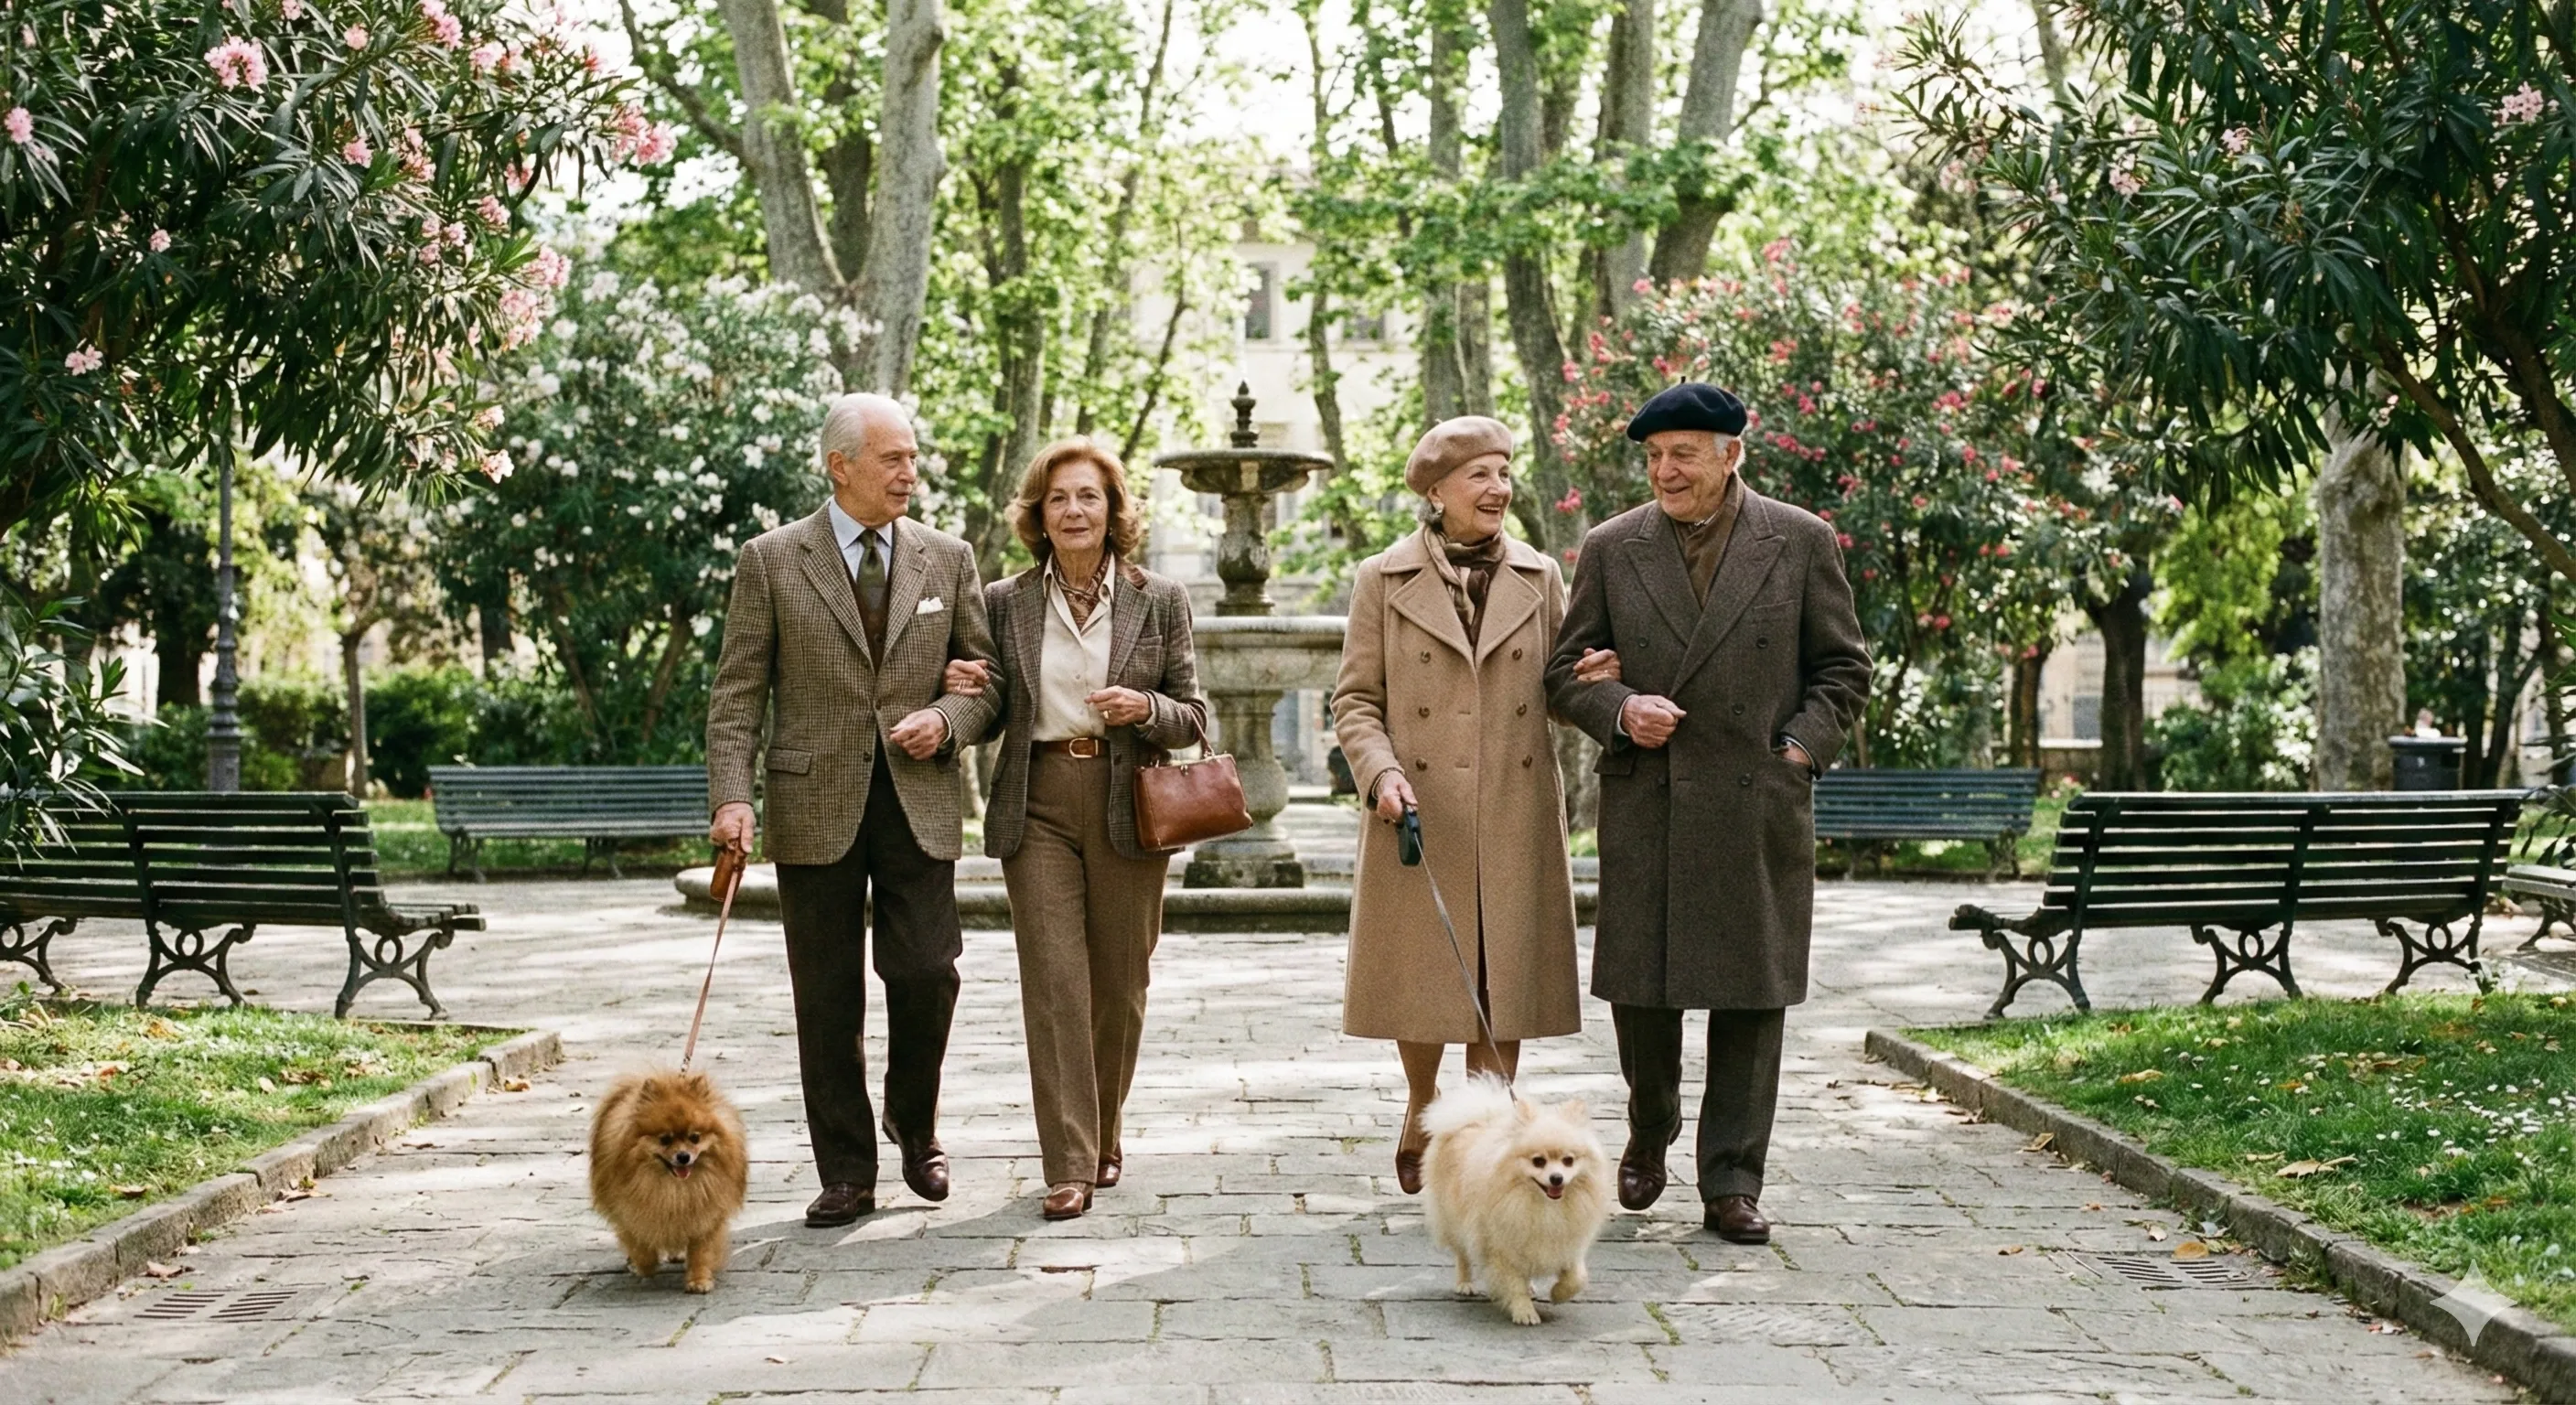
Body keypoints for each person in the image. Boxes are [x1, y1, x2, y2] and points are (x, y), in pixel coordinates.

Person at [1545, 382, 1870, 1244]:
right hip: (1651, 801)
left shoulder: (1799, 541)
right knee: (1642, 996)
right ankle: (1650, 1130)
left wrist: (1797, 750)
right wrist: (1618, 708)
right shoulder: (1614, 547)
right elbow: (1563, 671)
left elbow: (1843, 670)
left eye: (1683, 453)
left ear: (1733, 454)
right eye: (1653, 457)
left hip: (1754, 800)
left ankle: (1732, 1180)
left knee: (1751, 1001)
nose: (1665, 471)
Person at [704, 391, 997, 1228]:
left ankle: (916, 1121)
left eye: (913, 456)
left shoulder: (948, 558)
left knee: (926, 973)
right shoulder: (770, 560)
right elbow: (736, 695)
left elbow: (988, 684)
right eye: (894, 458)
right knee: (826, 998)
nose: (912, 472)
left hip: (919, 800)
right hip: (811, 802)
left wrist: (945, 720)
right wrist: (732, 796)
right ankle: (846, 1171)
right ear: (842, 467)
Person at [1331, 415, 1603, 1196]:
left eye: (1506, 472)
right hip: (1418, 807)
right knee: (1423, 978)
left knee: (1503, 981)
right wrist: (1380, 774)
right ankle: (1423, 1105)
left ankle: (1482, 1140)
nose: (1499, 489)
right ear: (1438, 491)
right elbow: (1355, 700)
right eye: (1481, 475)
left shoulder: (1540, 573)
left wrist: (1593, 676)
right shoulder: (1382, 578)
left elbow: (1558, 688)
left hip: (1513, 804)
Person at [940, 440, 1207, 1221]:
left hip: (1132, 800)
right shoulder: (1004, 600)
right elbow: (989, 706)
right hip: (1039, 800)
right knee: (1056, 984)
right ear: (1039, 516)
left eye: (1089, 497)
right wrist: (956, 687)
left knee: (1120, 987)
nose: (1075, 511)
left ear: (1114, 510)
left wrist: (1145, 709)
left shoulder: (1159, 598)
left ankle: (1105, 1132)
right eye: (1059, 499)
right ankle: (1068, 1163)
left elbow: (1193, 715)